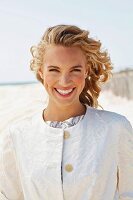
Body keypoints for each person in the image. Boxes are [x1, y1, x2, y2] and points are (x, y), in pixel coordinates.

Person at [0, 24, 133, 200]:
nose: (64, 81)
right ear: (41, 72)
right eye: (54, 70)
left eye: (75, 70)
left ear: (86, 71)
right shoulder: (16, 135)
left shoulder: (116, 128)